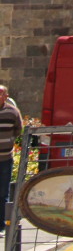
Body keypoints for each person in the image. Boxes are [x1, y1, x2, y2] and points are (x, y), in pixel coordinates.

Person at [0, 85, 22, 218]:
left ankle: (2, 223)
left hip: (5, 159)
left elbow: (18, 130)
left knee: (3, 192)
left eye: (1, 94)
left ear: (6, 97)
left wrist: (9, 140)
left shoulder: (13, 112)